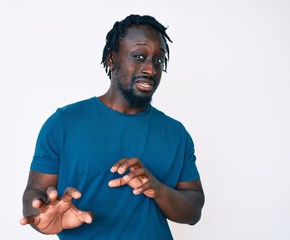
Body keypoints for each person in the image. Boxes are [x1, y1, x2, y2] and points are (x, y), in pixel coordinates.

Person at [20, 14, 205, 240]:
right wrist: (42, 218)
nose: (151, 69)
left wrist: (158, 189)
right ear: (111, 59)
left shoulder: (176, 134)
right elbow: (35, 193)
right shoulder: (63, 123)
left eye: (158, 60)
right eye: (139, 56)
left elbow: (194, 210)